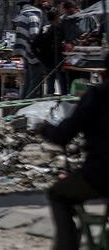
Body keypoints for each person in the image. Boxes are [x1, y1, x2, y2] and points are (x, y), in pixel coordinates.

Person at [39, 82, 109, 249]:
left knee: (58, 194)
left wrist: (45, 129)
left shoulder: (97, 95)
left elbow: (63, 134)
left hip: (100, 175)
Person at [14, 0, 49, 99]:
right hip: (33, 56)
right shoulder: (33, 16)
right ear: (36, 1)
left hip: (26, 54)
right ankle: (26, 110)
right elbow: (34, 37)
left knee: (28, 83)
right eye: (43, 1)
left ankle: (21, 108)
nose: (46, 4)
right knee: (34, 86)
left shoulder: (25, 13)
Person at [34, 9, 67, 95]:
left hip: (46, 60)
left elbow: (35, 44)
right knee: (62, 84)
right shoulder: (57, 29)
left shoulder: (44, 28)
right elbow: (58, 44)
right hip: (56, 60)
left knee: (50, 85)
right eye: (58, 16)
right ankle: (64, 101)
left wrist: (40, 57)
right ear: (56, 17)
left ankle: (49, 100)